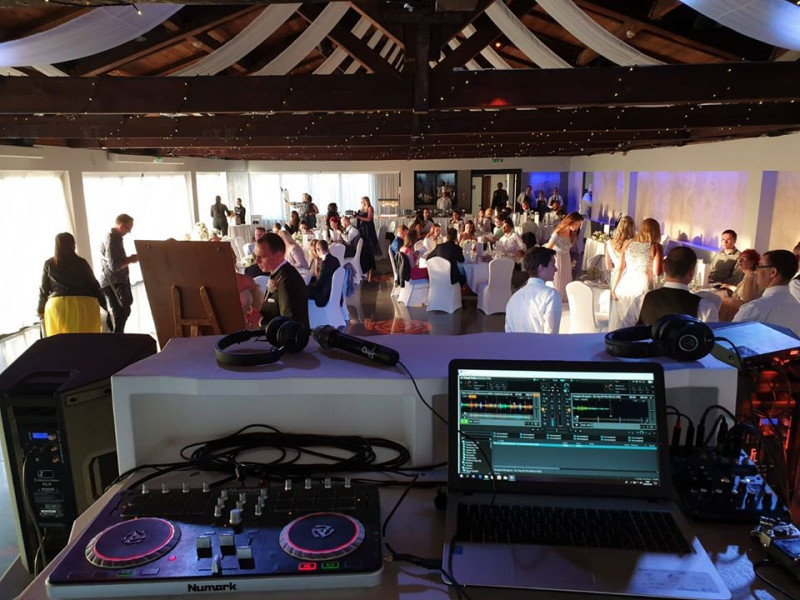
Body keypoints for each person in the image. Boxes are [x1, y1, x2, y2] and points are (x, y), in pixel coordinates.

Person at [38, 232, 105, 336]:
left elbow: (44, 289)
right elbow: (94, 285)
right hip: (84, 304)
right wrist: (103, 303)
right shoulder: (81, 262)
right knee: (86, 340)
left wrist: (40, 309)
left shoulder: (49, 264)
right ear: (73, 244)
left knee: (62, 342)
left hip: (58, 306)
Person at [635, 247, 719, 326]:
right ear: (691, 273)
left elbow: (627, 332)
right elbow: (711, 336)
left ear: (664, 267)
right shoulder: (706, 308)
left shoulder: (641, 301)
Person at [611, 217, 663, 329]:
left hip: (625, 286)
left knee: (624, 322)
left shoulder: (628, 243)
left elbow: (620, 268)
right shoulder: (655, 246)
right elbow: (657, 272)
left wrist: (614, 288)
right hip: (642, 287)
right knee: (638, 323)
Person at [733, 249, 800, 336]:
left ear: (773, 272)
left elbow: (729, 340)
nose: (756, 271)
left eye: (760, 266)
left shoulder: (755, 309)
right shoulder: (797, 308)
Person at [249, 232, 309, 328]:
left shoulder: (288, 280)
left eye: (262, 257)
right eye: (256, 256)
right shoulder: (278, 273)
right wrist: (262, 313)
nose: (257, 261)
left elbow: (290, 323)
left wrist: (260, 321)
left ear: (278, 256)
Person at [505, 247, 561, 334]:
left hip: (516, 343)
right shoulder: (551, 295)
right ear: (541, 268)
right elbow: (551, 336)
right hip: (540, 343)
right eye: (553, 264)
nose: (556, 269)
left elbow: (508, 333)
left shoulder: (514, 298)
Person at [99, 213, 139, 333]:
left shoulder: (113, 238)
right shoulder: (112, 239)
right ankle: (117, 339)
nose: (129, 232)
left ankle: (117, 338)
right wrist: (131, 259)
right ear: (121, 226)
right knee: (121, 313)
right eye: (128, 228)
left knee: (122, 312)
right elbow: (114, 266)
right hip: (114, 282)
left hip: (113, 282)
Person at [546, 212, 584, 300]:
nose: (577, 227)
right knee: (559, 280)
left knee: (567, 279)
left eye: (579, 225)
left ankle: (565, 298)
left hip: (566, 258)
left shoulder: (572, 234)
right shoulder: (557, 234)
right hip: (558, 258)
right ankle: (557, 299)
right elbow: (548, 249)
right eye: (577, 224)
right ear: (570, 221)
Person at [605, 216, 635, 329]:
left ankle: (612, 332)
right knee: (626, 310)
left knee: (614, 310)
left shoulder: (609, 243)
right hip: (627, 278)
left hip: (614, 277)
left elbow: (608, 266)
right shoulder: (632, 243)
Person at [718, 249, 761, 321]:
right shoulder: (747, 275)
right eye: (739, 259)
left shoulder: (751, 278)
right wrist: (728, 286)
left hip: (739, 315)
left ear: (752, 262)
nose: (739, 262)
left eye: (743, 259)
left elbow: (747, 304)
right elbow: (743, 291)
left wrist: (726, 299)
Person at [307, 239, 341, 307]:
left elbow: (319, 283)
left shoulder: (324, 263)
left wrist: (307, 286)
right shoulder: (336, 259)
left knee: (301, 290)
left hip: (324, 294)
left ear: (318, 249)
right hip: (332, 291)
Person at [354, 196, 379, 282]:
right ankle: (366, 271)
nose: (361, 203)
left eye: (363, 201)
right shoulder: (362, 209)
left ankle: (370, 271)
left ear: (366, 201)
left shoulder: (370, 208)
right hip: (362, 230)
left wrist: (359, 217)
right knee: (364, 250)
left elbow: (369, 219)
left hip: (368, 230)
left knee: (369, 249)